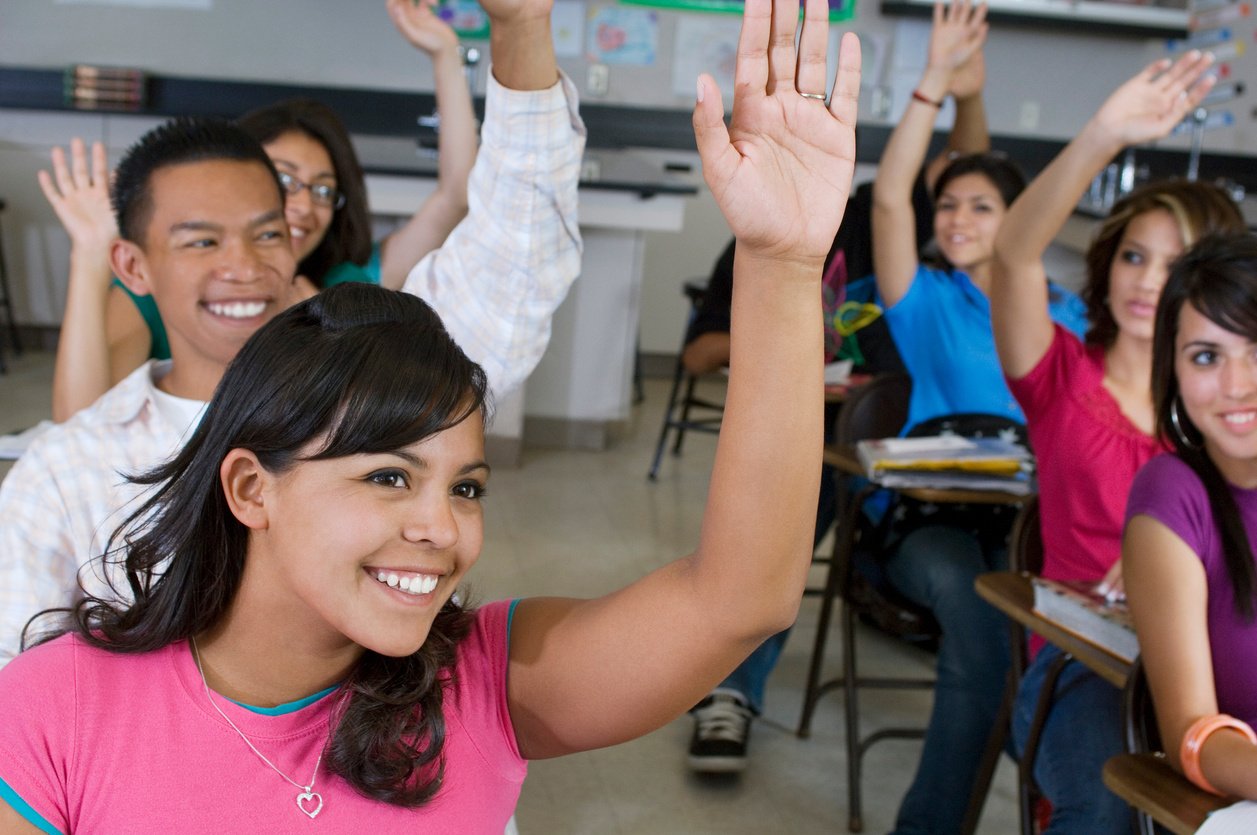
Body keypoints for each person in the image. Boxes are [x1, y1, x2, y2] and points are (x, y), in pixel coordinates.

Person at [0, 1, 864, 828]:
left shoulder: (478, 680)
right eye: (388, 476)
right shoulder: (59, 701)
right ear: (249, 487)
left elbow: (739, 598)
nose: (442, 527)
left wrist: (782, 264)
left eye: (467, 488)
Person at [0, 0, 585, 667]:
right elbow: (19, 693)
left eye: (268, 232)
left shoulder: (377, 392)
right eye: (202, 240)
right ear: (134, 264)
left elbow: (514, 263)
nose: (243, 267)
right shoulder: (69, 469)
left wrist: (520, 29)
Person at [846, 3, 1088, 831]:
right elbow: (887, 206)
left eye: (979, 208)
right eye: (946, 205)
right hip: (926, 526)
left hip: (1033, 527)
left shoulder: (1068, 318)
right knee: (986, 634)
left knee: (1059, 652)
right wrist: (931, 85)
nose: (953, 220)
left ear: (1019, 222)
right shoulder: (926, 301)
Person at [990, 53, 1243, 832]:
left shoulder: (1227, 410)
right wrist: (1105, 131)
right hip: (1087, 666)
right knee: (1104, 804)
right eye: (1133, 255)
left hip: (1220, 673)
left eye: (1173, 265)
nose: (1147, 282)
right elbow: (1010, 254)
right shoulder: (1060, 373)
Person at [42, 0, 477, 423]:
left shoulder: (346, 287)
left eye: (324, 190)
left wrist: (445, 55)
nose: (304, 206)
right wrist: (90, 254)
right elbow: (80, 421)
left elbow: (456, 193)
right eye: (284, 182)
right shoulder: (161, 284)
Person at [1123, 233, 1257, 804]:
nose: (1236, 386)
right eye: (1207, 356)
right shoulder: (1174, 494)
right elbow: (1191, 735)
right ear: (1172, 371)